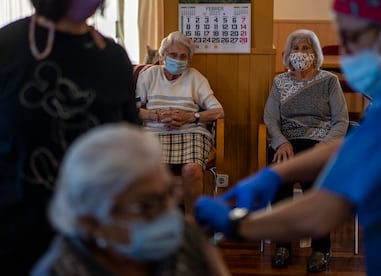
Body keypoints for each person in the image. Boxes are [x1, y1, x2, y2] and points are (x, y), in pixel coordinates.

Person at [195, 0, 381, 275]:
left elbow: (324, 209)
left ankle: (319, 250)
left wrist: (239, 225)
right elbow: (359, 145)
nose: (348, 54)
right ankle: (283, 246)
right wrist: (277, 174)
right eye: (343, 39)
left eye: (355, 37)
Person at [0, 0, 139, 274]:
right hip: (13, 234)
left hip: (93, 238)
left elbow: (130, 152)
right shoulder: (7, 47)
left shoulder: (113, 59)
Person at [31, 123, 230, 276]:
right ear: (91, 223)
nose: (168, 212)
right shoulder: (61, 271)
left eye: (169, 193)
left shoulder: (187, 239)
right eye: (145, 206)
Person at [264, 29, 348, 272]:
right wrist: (280, 141)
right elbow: (270, 119)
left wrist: (325, 145)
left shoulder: (329, 81)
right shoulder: (279, 82)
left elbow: (341, 120)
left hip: (320, 142)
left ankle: (321, 248)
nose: (300, 54)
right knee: (279, 177)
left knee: (316, 183)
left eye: (306, 48)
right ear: (288, 55)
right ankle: (283, 245)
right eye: (296, 49)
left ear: (316, 54)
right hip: (288, 142)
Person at [136, 31, 225, 216]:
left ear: (189, 60)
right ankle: (155, 220)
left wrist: (190, 117)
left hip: (190, 131)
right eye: (173, 55)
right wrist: (156, 116)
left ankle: (190, 221)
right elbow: (132, 109)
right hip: (154, 131)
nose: (178, 60)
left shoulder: (195, 78)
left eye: (183, 57)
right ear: (162, 56)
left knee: (192, 171)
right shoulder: (148, 75)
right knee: (150, 171)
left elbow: (218, 111)